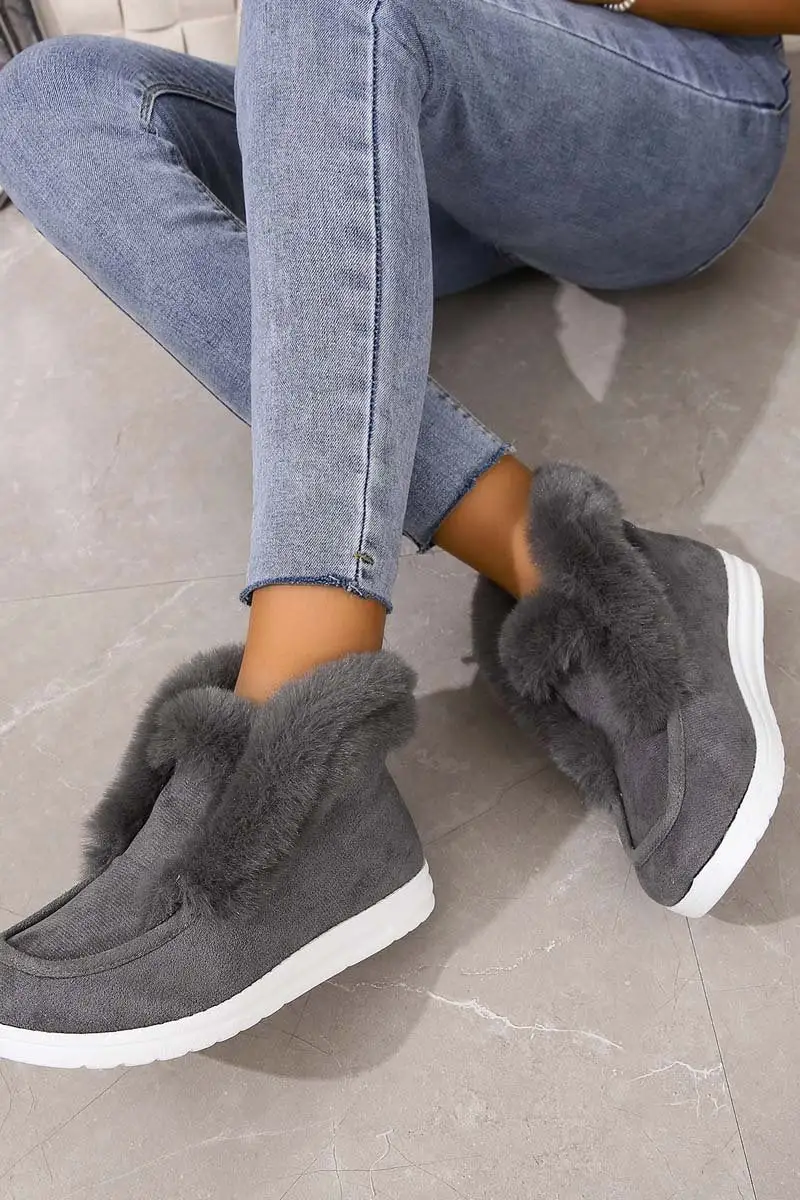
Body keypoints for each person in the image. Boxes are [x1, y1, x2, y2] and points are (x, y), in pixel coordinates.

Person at [0, 0, 793, 1070]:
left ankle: (297, 737)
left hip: (663, 127)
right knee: (44, 101)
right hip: (420, 112)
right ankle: (556, 558)